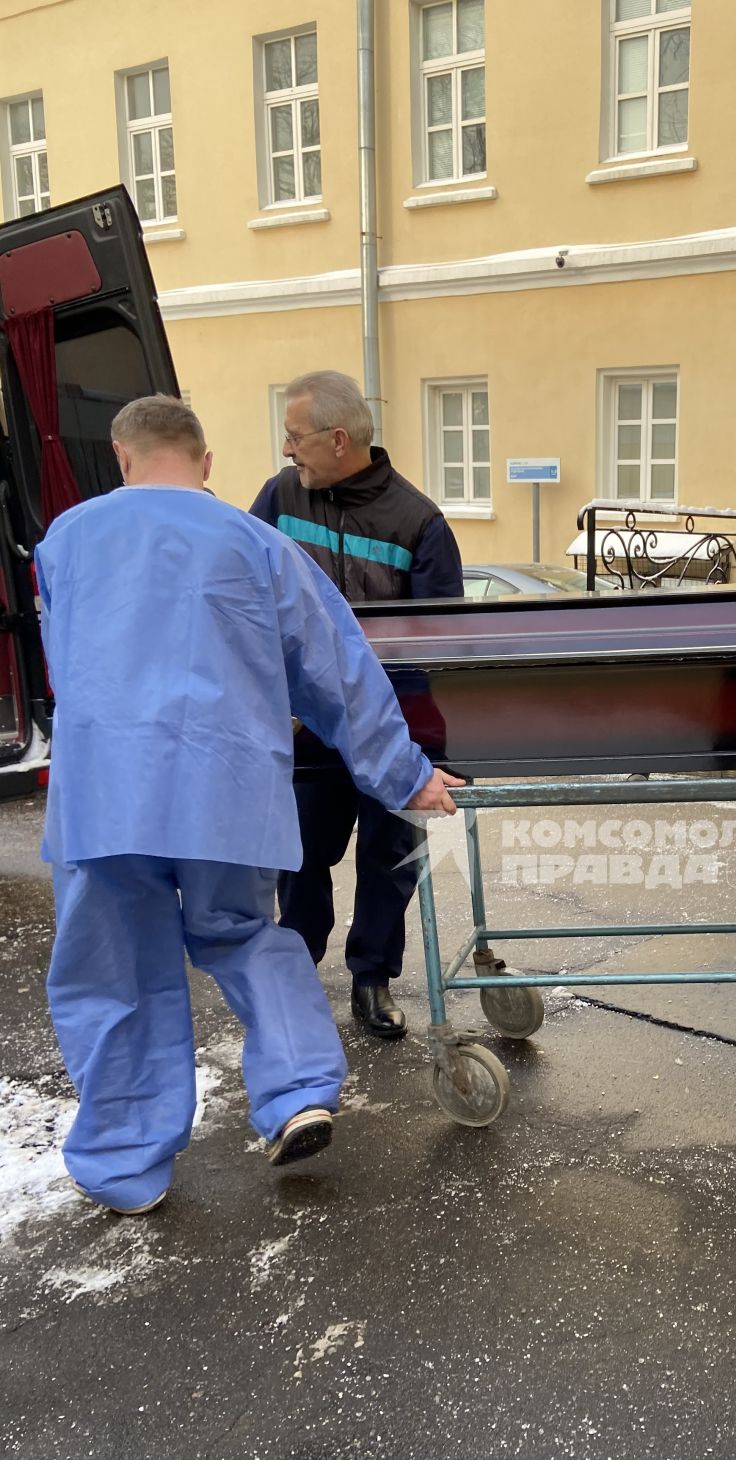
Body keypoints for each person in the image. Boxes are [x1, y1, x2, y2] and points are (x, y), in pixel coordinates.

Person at [35, 397, 462, 1214]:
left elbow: (66, 667)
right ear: (204, 462)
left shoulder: (67, 541)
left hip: (105, 792)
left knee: (114, 967)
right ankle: (298, 1087)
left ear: (123, 458)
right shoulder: (257, 543)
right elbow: (337, 668)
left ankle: (127, 1163)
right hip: (224, 786)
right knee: (242, 935)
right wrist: (406, 775)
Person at [250, 371, 463, 1043]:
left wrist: (415, 751)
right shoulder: (279, 500)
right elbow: (245, 595)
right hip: (305, 731)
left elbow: (443, 648)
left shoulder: (419, 523)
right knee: (302, 854)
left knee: (387, 857)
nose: (287, 450)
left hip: (392, 731)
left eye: (295, 436)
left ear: (338, 440)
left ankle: (372, 977)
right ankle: (296, 972)